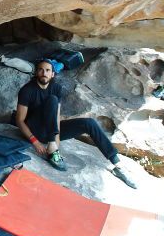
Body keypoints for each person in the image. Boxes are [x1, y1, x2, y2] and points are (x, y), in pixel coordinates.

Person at [13, 60, 138, 188]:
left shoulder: (56, 88)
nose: (44, 73)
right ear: (36, 72)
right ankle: (52, 149)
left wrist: (56, 140)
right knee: (52, 100)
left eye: (47, 70)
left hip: (50, 131)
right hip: (34, 129)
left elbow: (56, 115)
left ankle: (117, 164)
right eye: (41, 69)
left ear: (53, 74)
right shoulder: (27, 90)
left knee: (89, 123)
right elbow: (20, 120)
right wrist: (35, 141)